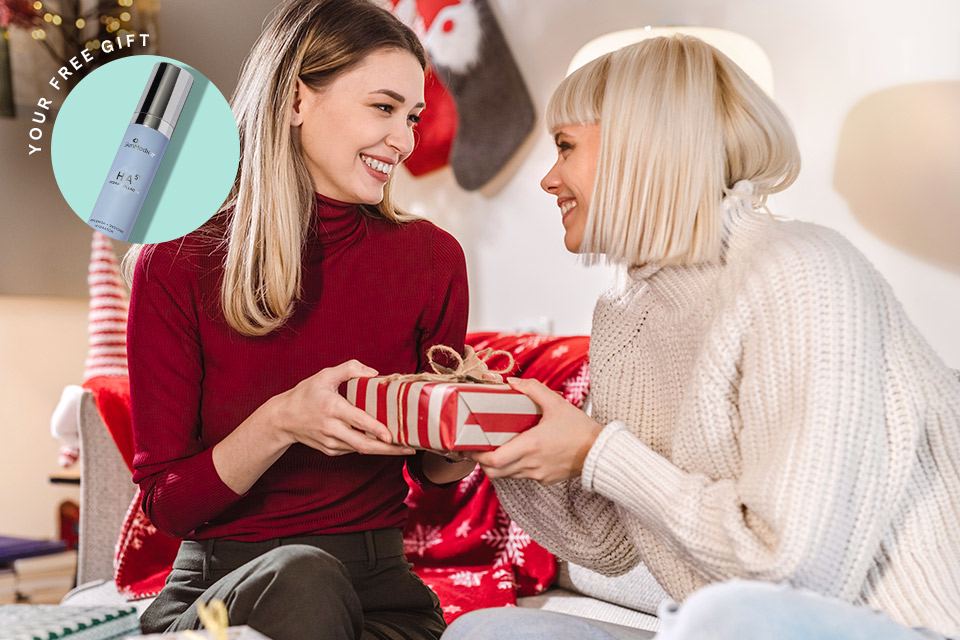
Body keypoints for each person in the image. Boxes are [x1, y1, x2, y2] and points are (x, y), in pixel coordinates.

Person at [443, 35, 960, 640]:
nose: (549, 179)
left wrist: (596, 450)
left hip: (890, 624)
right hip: (735, 624)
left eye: (565, 147)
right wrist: (502, 435)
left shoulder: (801, 270)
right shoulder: (625, 311)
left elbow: (793, 571)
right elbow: (602, 542)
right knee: (488, 633)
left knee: (722, 618)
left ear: (643, 146)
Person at [124, 1, 475, 638]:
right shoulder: (176, 259)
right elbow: (168, 504)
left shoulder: (432, 259)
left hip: (379, 594)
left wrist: (465, 434)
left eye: (413, 116)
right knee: (303, 577)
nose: (405, 140)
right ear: (294, 101)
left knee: (320, 587)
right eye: (384, 107)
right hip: (221, 597)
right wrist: (284, 420)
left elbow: (434, 480)